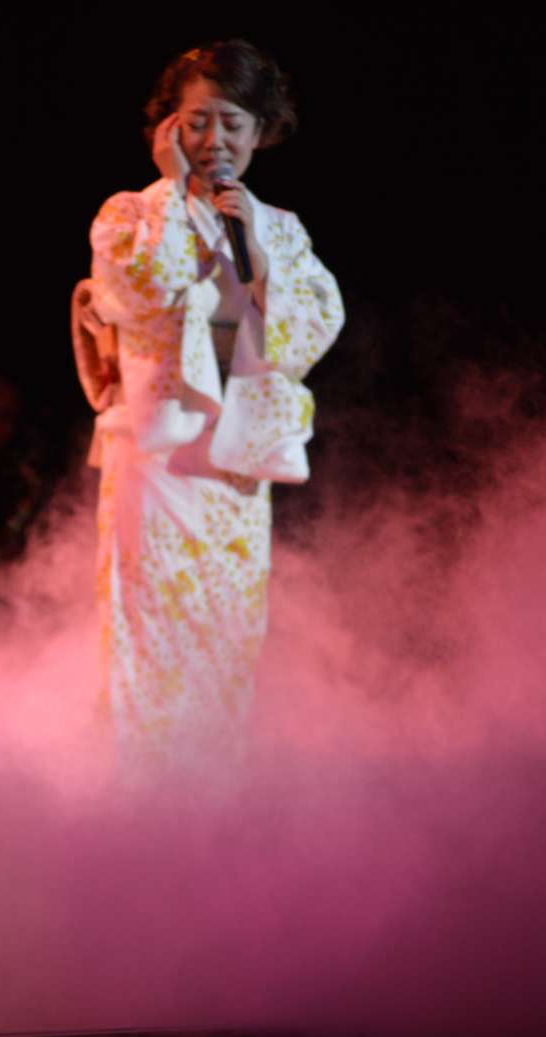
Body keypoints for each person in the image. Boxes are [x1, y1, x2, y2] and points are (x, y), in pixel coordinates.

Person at [73, 39, 345, 770]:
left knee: (226, 633)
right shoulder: (130, 212)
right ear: (169, 127)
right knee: (150, 627)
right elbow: (140, 293)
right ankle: (142, 794)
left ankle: (213, 802)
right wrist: (171, 194)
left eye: (232, 122)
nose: (214, 139)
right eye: (197, 122)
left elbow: (312, 328)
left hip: (237, 459)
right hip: (157, 452)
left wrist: (257, 256)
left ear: (260, 131)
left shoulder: (280, 228)